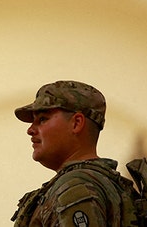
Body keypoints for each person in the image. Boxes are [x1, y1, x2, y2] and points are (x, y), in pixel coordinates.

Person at [10, 80, 133, 227]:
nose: (30, 130)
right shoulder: (107, 184)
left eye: (43, 119)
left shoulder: (76, 188)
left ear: (76, 123)